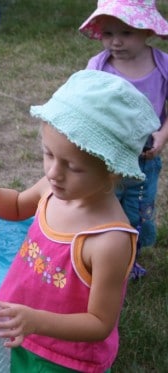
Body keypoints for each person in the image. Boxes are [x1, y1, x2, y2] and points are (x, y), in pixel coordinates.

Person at [0, 70, 160, 372]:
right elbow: (15, 206)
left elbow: (99, 323)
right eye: (48, 154)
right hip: (21, 333)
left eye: (72, 166)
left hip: (66, 360)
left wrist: (36, 321)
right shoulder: (51, 189)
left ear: (112, 170)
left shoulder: (108, 240)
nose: (54, 172)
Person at [79, 0, 168, 279]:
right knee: (104, 204)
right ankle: (100, 257)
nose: (115, 42)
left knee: (138, 208)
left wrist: (162, 136)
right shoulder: (99, 66)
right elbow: (84, 107)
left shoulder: (163, 65)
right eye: (108, 34)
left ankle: (130, 256)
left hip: (144, 158)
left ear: (147, 31)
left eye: (126, 33)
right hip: (105, 159)